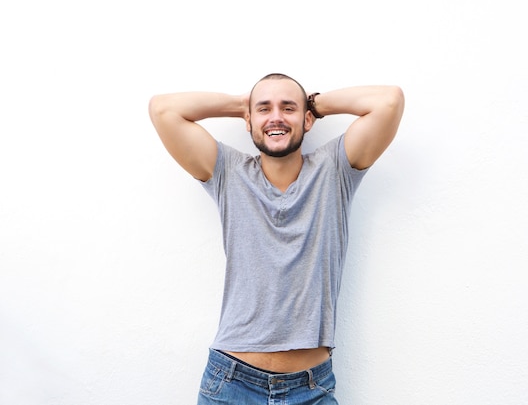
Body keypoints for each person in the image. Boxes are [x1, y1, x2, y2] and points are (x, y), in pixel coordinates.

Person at [148, 73, 404, 404]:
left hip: (311, 388)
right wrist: (242, 104)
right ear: (250, 120)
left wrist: (314, 102)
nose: (276, 118)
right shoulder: (228, 172)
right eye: (264, 109)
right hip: (231, 383)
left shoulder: (335, 169)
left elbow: (389, 101)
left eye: (288, 108)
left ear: (308, 119)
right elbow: (163, 109)